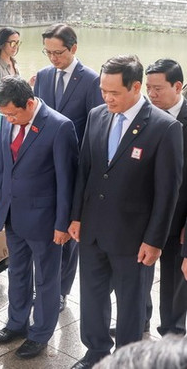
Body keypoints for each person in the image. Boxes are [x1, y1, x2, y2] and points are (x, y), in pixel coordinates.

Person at [69, 56, 183, 369]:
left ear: (135, 87)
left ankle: (126, 358)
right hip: (92, 229)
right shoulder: (97, 115)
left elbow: (167, 193)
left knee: (131, 304)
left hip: (134, 238)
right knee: (92, 297)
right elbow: (85, 170)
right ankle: (95, 351)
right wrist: (76, 216)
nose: (107, 98)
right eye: (103, 91)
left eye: (114, 92)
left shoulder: (165, 128)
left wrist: (154, 241)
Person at [0, 76, 78, 359]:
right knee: (17, 272)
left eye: (13, 114)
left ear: (29, 103)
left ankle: (40, 334)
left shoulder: (59, 126)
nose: (9, 119)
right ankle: (16, 324)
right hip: (13, 214)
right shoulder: (8, 119)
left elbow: (67, 181)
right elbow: (4, 167)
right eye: (5, 115)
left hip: (45, 220)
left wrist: (62, 224)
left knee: (46, 279)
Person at [33, 23, 103, 311]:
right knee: (46, 227)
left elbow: (96, 128)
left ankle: (62, 289)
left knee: (69, 230)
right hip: (43, 166)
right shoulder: (43, 76)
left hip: (73, 167)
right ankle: (44, 283)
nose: (53, 58)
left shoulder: (92, 80)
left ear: (73, 48)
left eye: (58, 53)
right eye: (48, 52)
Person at [144, 59, 187, 337]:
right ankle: (138, 319)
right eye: (148, 87)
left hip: (178, 218)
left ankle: (173, 331)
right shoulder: (144, 115)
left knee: (174, 278)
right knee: (140, 271)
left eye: (158, 88)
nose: (151, 94)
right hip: (144, 213)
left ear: (178, 86)